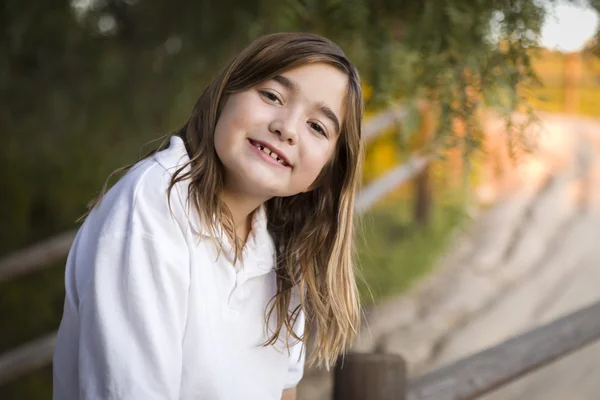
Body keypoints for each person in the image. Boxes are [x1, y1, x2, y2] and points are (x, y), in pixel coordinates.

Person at [53, 31, 364, 400]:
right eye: (271, 96)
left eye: (317, 127)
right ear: (225, 96)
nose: (287, 127)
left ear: (326, 173)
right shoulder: (154, 209)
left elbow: (284, 393)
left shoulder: (285, 249)